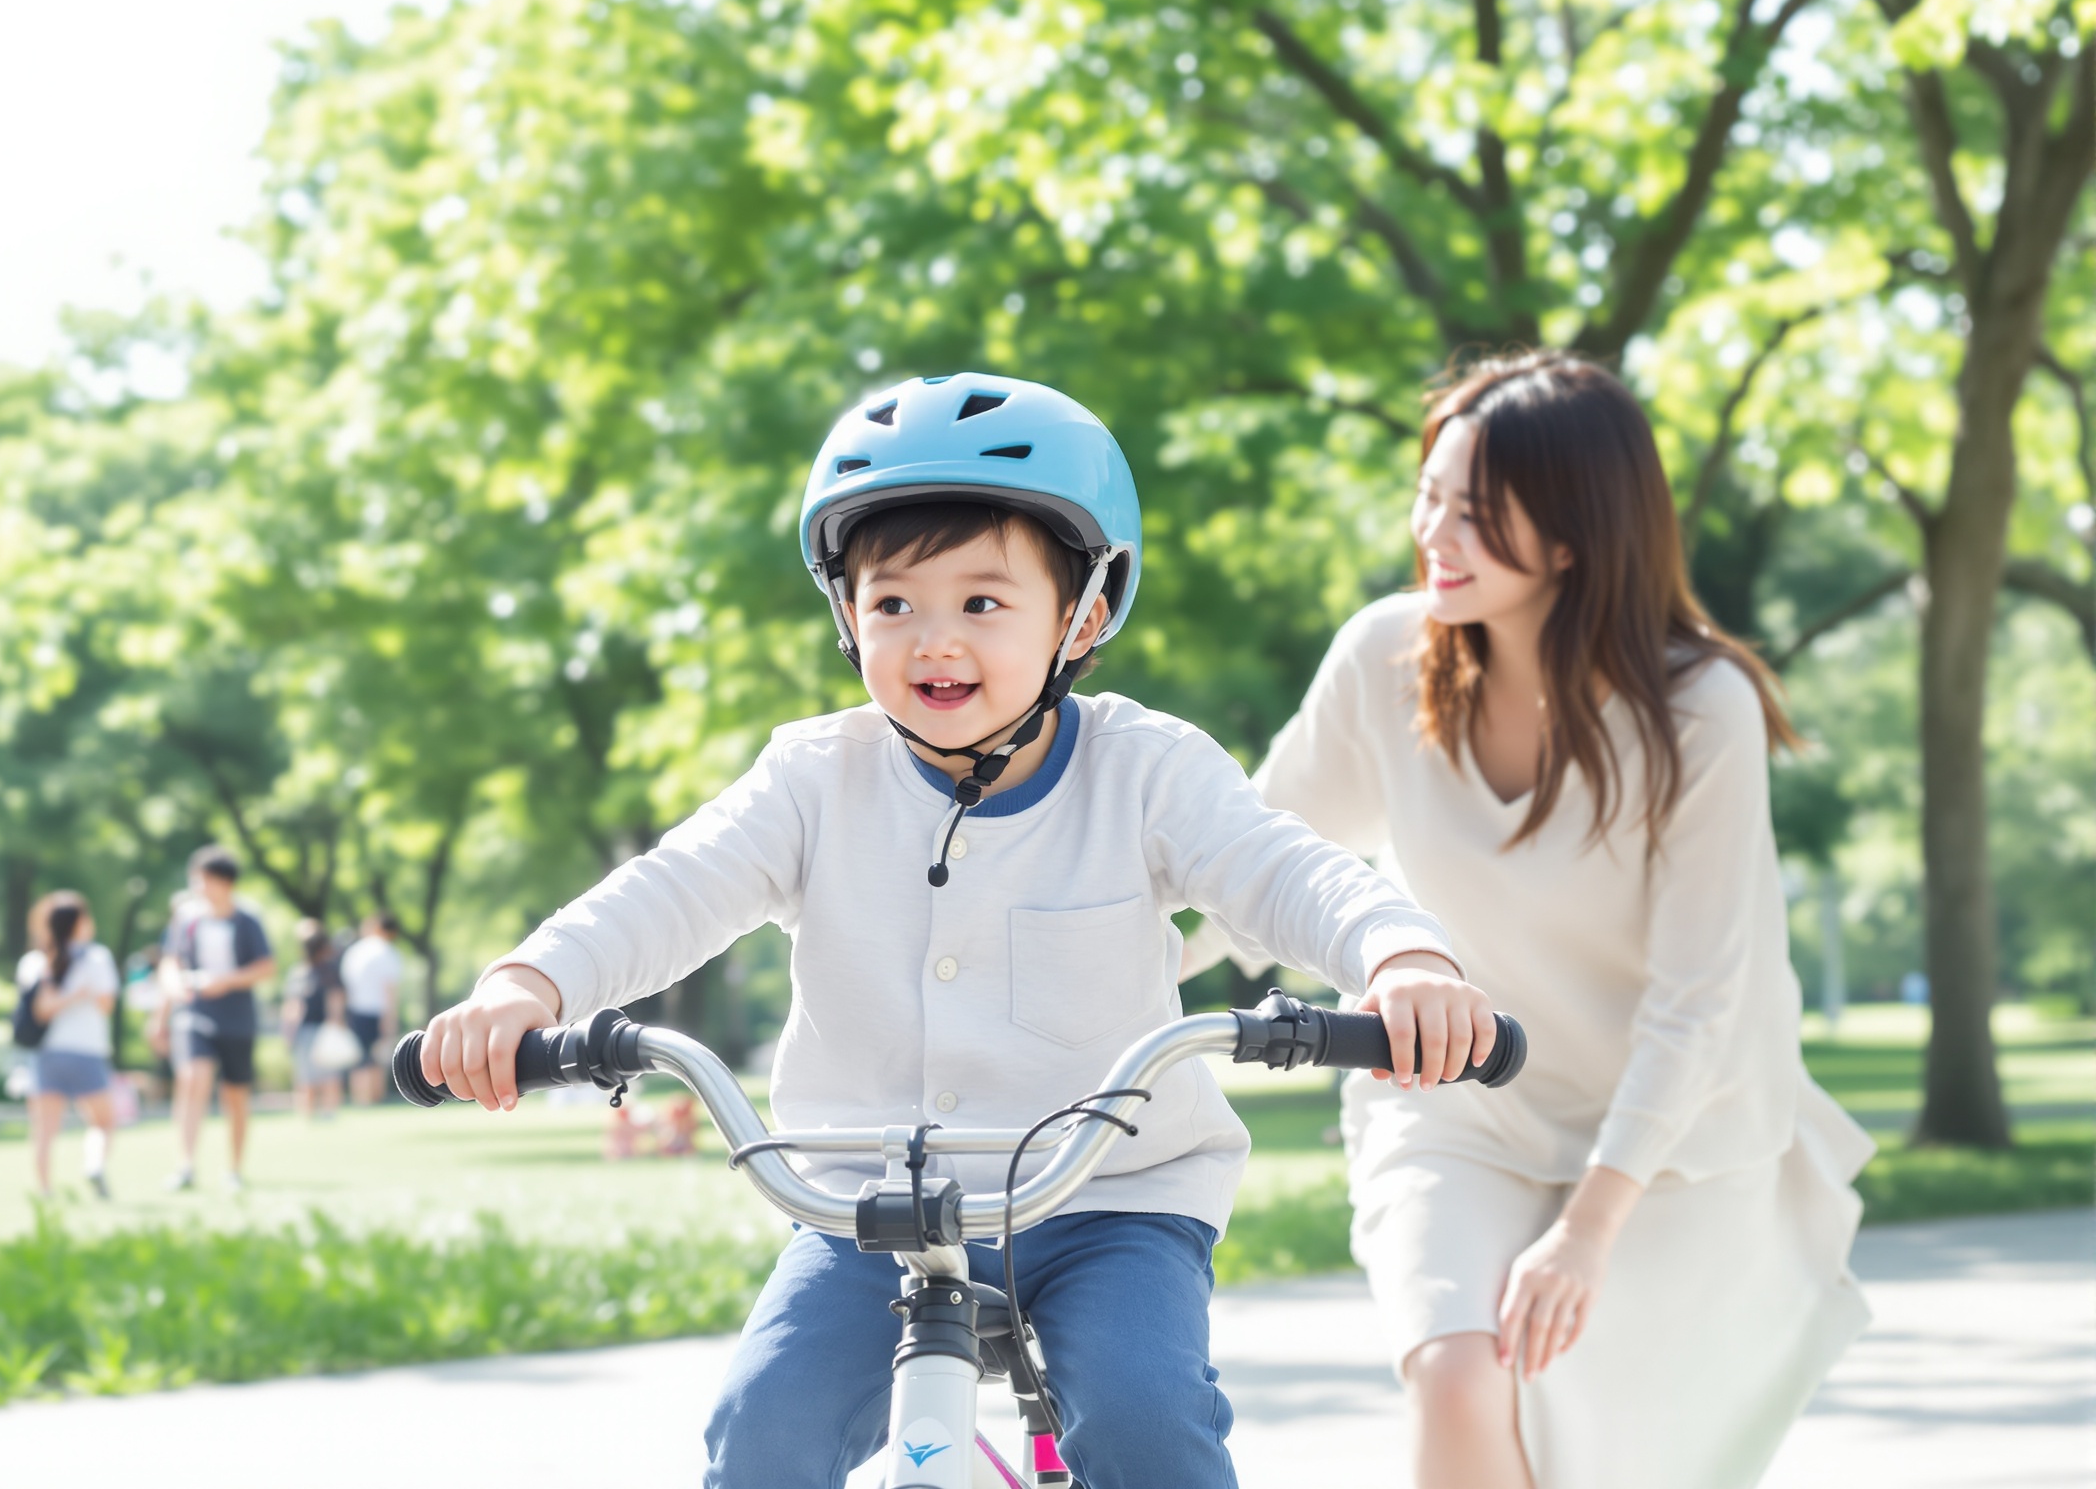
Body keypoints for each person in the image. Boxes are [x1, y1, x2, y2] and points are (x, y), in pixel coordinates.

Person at [418, 373, 1497, 1489]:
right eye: (893, 603)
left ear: (1081, 615)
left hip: (1108, 1202)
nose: (934, 639)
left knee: (1148, 1423)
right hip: (864, 1211)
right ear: (848, 616)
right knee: (761, 1430)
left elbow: (1289, 870)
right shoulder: (812, 778)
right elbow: (668, 887)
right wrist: (527, 984)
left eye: (983, 602)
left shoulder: (1148, 771)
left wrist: (1399, 953)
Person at [1249, 352, 1871, 1488]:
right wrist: (1096, 962)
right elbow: (1251, 858)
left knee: (1599, 1458)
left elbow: (1700, 999)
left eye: (1477, 515)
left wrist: (1588, 1227)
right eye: (1430, 495)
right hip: (1456, 1104)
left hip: (1668, 1149)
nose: (1434, 531)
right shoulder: (1384, 657)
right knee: (1456, 1371)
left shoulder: (1699, 710)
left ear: (1574, 538)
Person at [151, 846, 275, 1192]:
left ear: (226, 882)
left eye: (207, 879)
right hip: (193, 1012)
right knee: (193, 1078)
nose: (200, 885)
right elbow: (169, 963)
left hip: (236, 1017)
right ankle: (186, 1165)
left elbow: (267, 966)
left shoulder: (247, 919)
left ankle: (233, 1169)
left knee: (235, 1094)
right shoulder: (186, 918)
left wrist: (227, 981)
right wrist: (163, 1010)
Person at [16, 889, 120, 1198]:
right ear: (80, 923)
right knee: (102, 1121)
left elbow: (41, 1010)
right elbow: (106, 1005)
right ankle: (94, 1164)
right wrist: (79, 995)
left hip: (48, 1055)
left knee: (45, 1129)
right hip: (87, 1050)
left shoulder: (34, 962)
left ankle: (45, 1189)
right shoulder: (96, 958)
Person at [282, 919, 347, 1120]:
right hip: (310, 1029)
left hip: (319, 1029)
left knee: (322, 1076)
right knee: (312, 1076)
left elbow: (334, 999)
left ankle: (322, 1114)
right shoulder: (302, 972)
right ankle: (314, 1114)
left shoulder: (324, 971)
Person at [339, 911, 404, 1106]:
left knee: (359, 1058)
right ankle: (375, 1098)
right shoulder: (388, 952)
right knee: (377, 1058)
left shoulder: (355, 951)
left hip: (355, 1009)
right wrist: (391, 1019)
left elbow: (345, 984)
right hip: (378, 1010)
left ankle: (361, 1099)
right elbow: (389, 990)